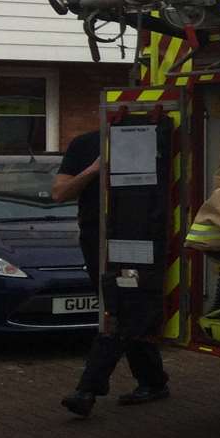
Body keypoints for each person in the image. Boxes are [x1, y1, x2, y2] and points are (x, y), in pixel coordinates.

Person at [55, 129, 168, 417]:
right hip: (96, 243)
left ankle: (88, 389)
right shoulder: (84, 143)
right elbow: (60, 193)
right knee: (124, 307)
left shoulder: (157, 138)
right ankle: (153, 380)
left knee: (120, 307)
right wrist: (94, 169)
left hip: (136, 243)